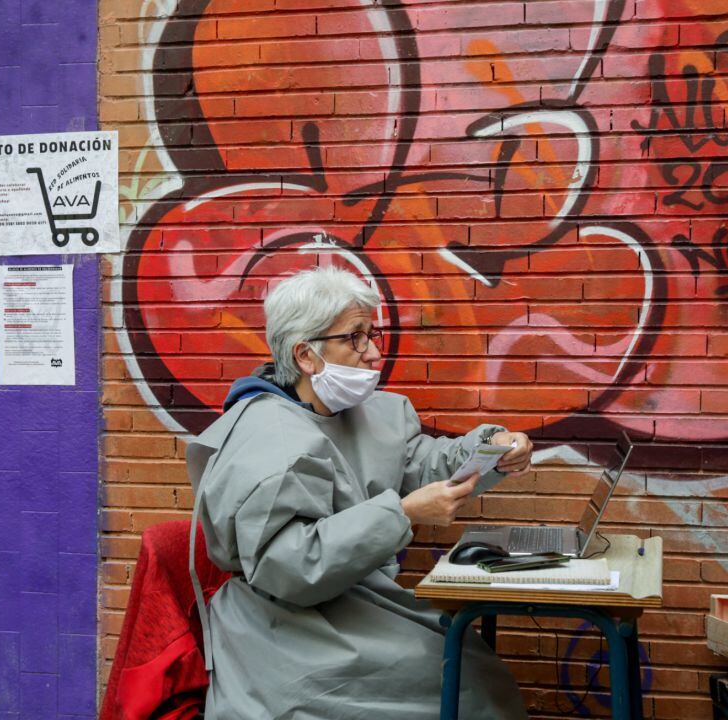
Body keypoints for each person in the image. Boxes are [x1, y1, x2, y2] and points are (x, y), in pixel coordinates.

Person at [185, 266, 532, 719]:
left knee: (472, 672)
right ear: (306, 355)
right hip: (289, 632)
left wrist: (491, 448)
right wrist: (403, 515)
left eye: (372, 335)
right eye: (355, 337)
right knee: (467, 686)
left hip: (354, 605)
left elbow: (420, 462)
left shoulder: (365, 412)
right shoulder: (267, 437)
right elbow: (288, 566)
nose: (372, 355)